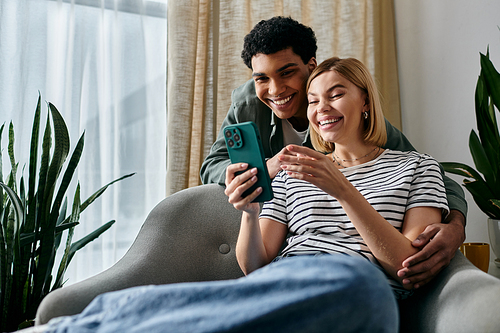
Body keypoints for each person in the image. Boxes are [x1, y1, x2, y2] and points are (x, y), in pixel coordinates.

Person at [200, 16, 467, 289]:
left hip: (347, 285)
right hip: (280, 283)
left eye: (287, 73)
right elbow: (213, 166)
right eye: (262, 78)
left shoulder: (402, 158)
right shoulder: (251, 110)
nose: (276, 89)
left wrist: (456, 225)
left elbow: (428, 175)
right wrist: (259, 180)